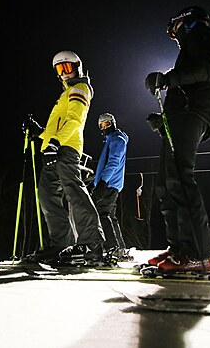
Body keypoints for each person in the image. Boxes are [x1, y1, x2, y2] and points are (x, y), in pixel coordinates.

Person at [143, 6, 210, 274]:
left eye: (174, 28)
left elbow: (208, 69)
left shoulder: (201, 35)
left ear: (185, 22)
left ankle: (199, 254)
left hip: (192, 114)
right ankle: (179, 249)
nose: (173, 35)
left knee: (180, 179)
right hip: (181, 116)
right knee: (166, 184)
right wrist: (163, 122)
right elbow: (188, 83)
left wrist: (169, 79)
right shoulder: (190, 46)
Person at [23, 50, 105, 266]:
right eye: (60, 69)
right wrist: (40, 132)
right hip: (53, 148)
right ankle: (61, 244)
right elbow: (57, 125)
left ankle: (91, 243)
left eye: (67, 67)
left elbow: (75, 119)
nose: (64, 73)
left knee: (73, 190)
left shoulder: (80, 88)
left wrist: (55, 142)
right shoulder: (65, 94)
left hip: (66, 148)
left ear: (77, 67)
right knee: (48, 196)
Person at [91, 112, 131, 260]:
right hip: (107, 183)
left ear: (113, 123)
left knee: (102, 214)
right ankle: (119, 248)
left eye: (107, 124)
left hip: (110, 184)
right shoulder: (110, 140)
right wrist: (93, 183)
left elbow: (113, 161)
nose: (104, 127)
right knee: (109, 216)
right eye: (101, 125)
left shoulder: (117, 139)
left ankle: (112, 248)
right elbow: (103, 166)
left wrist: (102, 182)